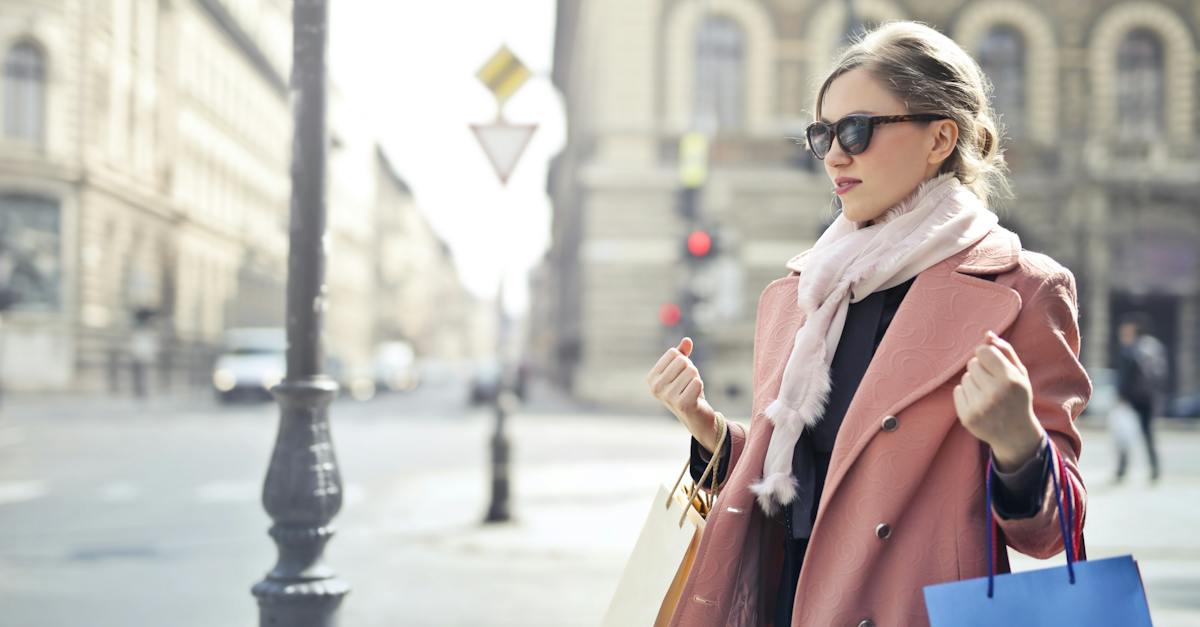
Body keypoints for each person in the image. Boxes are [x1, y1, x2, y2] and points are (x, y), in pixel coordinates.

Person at [645, 22, 1091, 627]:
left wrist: (1019, 442)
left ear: (940, 139)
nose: (835, 154)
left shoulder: (1021, 290)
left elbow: (1051, 534)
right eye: (822, 133)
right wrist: (710, 432)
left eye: (857, 129)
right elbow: (806, 485)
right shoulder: (805, 293)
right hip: (788, 604)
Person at [1114, 312, 1166, 482]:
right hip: (1148, 398)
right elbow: (1161, 374)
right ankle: (1154, 469)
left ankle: (1123, 470)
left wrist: (1121, 396)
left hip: (1133, 399)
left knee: (1124, 434)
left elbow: (1127, 376)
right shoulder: (1155, 347)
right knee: (1145, 434)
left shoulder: (1132, 349)